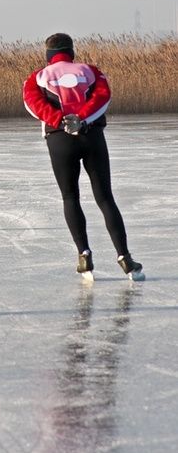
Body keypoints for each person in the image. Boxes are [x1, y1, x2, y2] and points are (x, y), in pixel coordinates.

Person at [23, 32, 145, 281]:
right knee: (105, 198)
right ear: (71, 51)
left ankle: (84, 255)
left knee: (70, 197)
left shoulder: (37, 77)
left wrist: (61, 120)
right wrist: (82, 120)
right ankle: (125, 258)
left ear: (48, 54)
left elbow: (32, 103)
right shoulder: (90, 71)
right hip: (91, 137)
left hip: (59, 139)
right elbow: (102, 97)